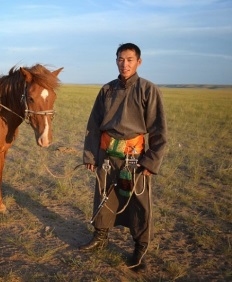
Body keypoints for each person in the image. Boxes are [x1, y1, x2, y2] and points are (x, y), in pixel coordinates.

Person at [80, 43, 167, 271]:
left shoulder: (148, 90)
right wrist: (90, 155)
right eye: (120, 59)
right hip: (107, 155)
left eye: (129, 59)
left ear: (138, 62)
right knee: (104, 195)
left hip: (135, 158)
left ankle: (139, 248)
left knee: (139, 203)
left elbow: (158, 130)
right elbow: (93, 125)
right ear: (116, 61)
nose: (124, 63)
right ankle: (100, 237)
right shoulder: (107, 90)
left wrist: (151, 161)